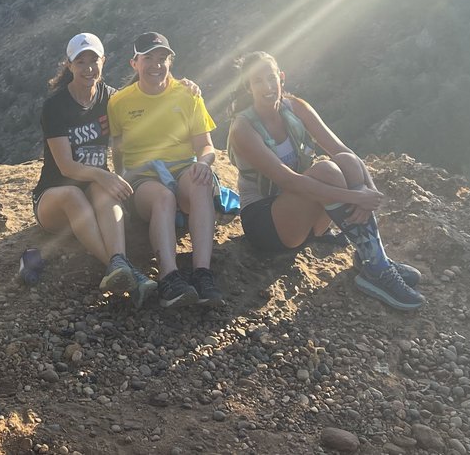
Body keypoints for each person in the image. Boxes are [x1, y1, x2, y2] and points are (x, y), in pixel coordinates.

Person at [226, 51, 425, 311]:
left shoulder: (296, 107)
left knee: (347, 162)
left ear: (281, 77)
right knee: (328, 171)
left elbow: (343, 151)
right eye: (257, 81)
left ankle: (374, 260)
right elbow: (289, 181)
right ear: (248, 87)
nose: (267, 86)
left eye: (271, 77)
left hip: (305, 218)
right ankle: (377, 268)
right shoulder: (242, 128)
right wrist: (357, 197)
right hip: (267, 225)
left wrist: (370, 193)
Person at [33, 32, 156, 303]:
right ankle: (126, 271)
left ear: (104, 61)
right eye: (80, 62)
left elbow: (146, 98)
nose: (88, 68)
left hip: (92, 191)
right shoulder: (55, 106)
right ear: (69, 65)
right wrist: (103, 174)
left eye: (94, 61)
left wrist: (182, 85)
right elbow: (66, 167)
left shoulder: (110, 98)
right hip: (54, 199)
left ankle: (119, 264)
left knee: (103, 190)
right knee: (75, 194)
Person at [108, 31, 224, 308]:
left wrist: (204, 164)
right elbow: (118, 150)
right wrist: (122, 183)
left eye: (162, 58)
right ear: (134, 63)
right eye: (148, 58)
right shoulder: (119, 102)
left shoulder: (188, 95)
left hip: (182, 169)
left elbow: (205, 146)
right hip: (143, 177)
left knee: (200, 182)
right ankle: (169, 278)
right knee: (163, 197)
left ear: (170, 61)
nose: (156, 65)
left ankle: (202, 273)